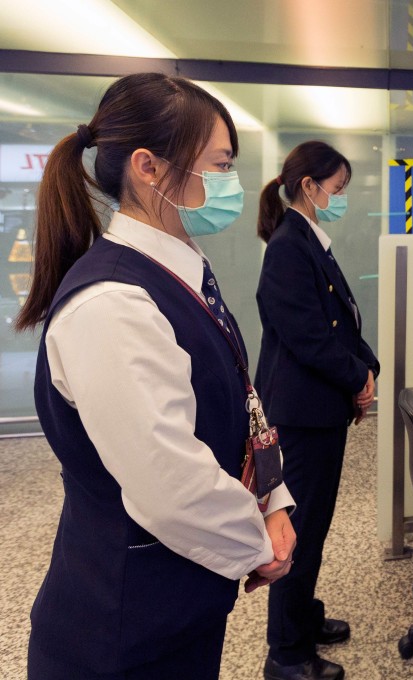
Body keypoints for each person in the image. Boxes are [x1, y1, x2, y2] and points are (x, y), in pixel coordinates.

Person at [16, 72, 296, 680]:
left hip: (177, 602)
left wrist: (276, 500)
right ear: (148, 166)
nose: (231, 184)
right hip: (120, 630)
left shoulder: (180, 268)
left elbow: (240, 400)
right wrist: (259, 543)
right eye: (219, 165)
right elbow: (171, 482)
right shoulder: (113, 303)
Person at [256, 141, 380, 680]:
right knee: (298, 535)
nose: (341, 198)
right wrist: (356, 377)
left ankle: (303, 618)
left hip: (317, 409)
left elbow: (341, 319)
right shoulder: (289, 245)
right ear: (309, 185)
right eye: (338, 188)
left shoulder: (308, 240)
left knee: (314, 526)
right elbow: (308, 336)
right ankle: (287, 654)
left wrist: (365, 367)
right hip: (301, 417)